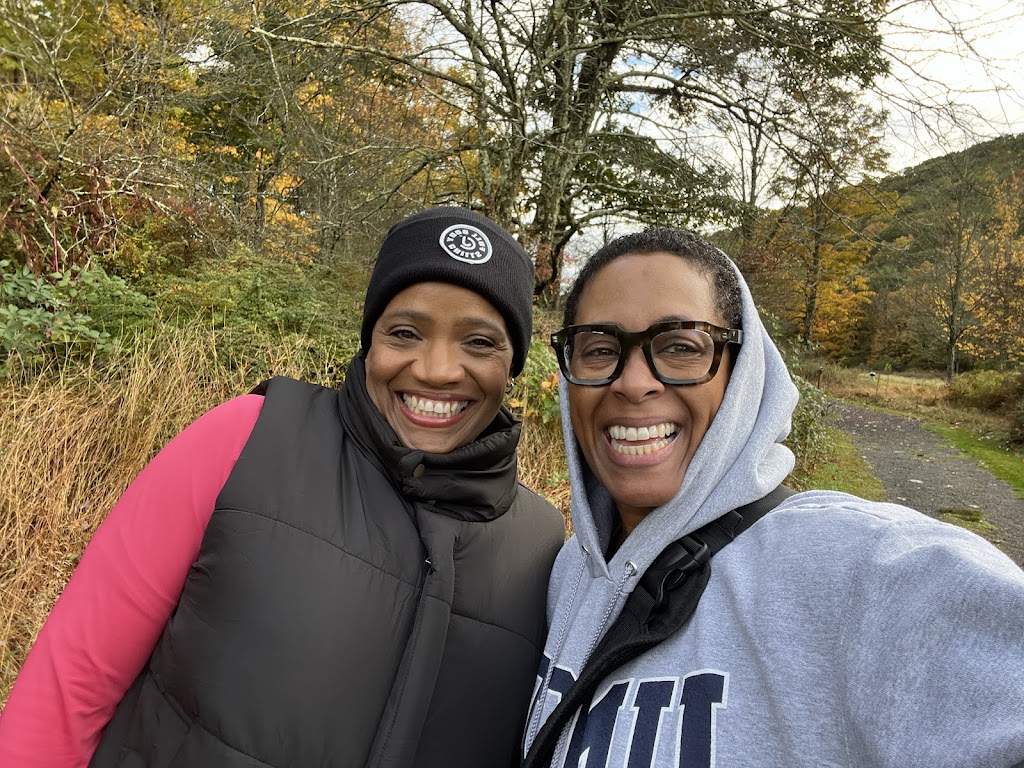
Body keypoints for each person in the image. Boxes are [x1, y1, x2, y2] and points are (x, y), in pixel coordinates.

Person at [0, 207, 567, 768]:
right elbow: (72, 678)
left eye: (479, 342)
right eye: (404, 332)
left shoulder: (543, 549)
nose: (436, 369)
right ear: (370, 339)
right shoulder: (247, 438)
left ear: (514, 363)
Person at [521, 227, 1024, 768]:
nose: (633, 382)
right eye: (599, 349)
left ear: (742, 371)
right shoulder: (566, 573)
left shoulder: (859, 569)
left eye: (681, 347)